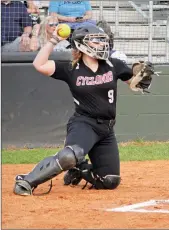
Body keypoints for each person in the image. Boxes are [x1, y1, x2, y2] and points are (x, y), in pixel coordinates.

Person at [13, 24, 154, 195]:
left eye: (103, 41)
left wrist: (144, 78)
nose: (102, 44)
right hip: (84, 124)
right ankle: (27, 181)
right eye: (96, 41)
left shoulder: (113, 64)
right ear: (81, 44)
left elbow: (135, 82)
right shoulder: (71, 69)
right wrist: (54, 40)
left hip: (106, 129)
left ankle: (79, 168)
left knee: (110, 181)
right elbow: (39, 64)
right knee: (69, 156)